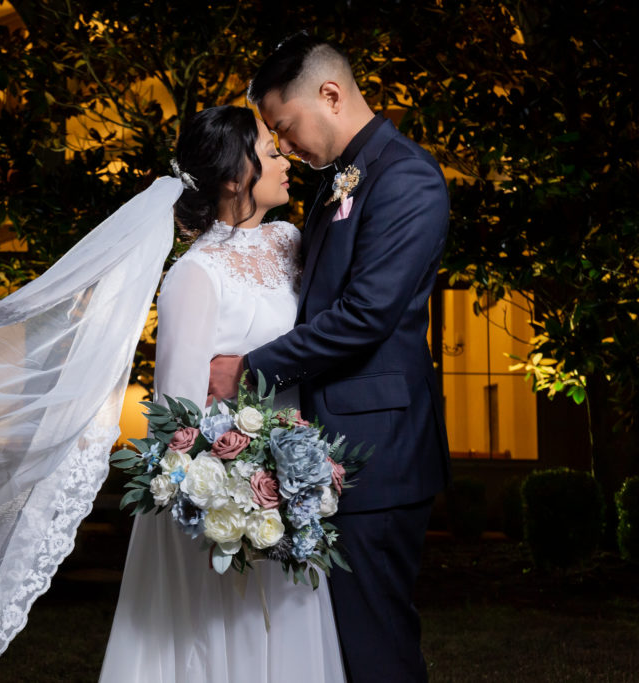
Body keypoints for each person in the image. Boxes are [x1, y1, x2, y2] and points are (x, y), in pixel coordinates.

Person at [208, 35, 451, 682]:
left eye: (284, 127)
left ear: (331, 94)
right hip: (327, 449)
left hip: (379, 450)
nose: (282, 146)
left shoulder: (407, 179)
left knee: (376, 649)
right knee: (339, 651)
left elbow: (365, 316)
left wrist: (250, 368)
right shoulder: (339, 181)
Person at [99, 105, 345, 683]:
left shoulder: (290, 242)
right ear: (236, 176)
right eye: (270, 149)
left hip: (293, 484)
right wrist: (238, 494)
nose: (285, 158)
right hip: (226, 502)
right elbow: (177, 422)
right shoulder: (195, 275)